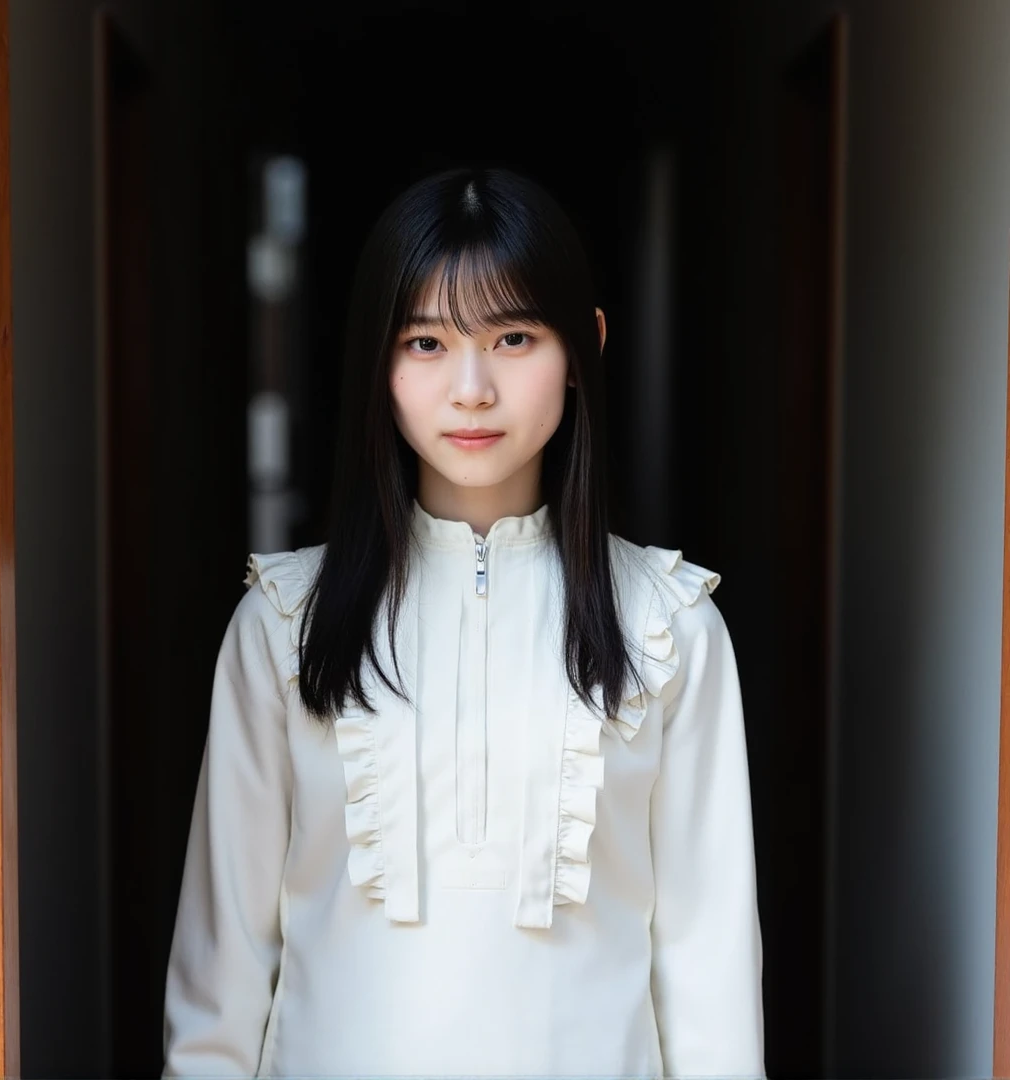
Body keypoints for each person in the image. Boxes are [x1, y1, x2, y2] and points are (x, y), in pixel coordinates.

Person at [161, 166, 765, 1079]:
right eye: (427, 343)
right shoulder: (283, 625)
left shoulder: (669, 628)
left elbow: (709, 968)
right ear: (376, 361)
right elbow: (224, 974)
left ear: (584, 350)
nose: (472, 388)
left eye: (514, 336)